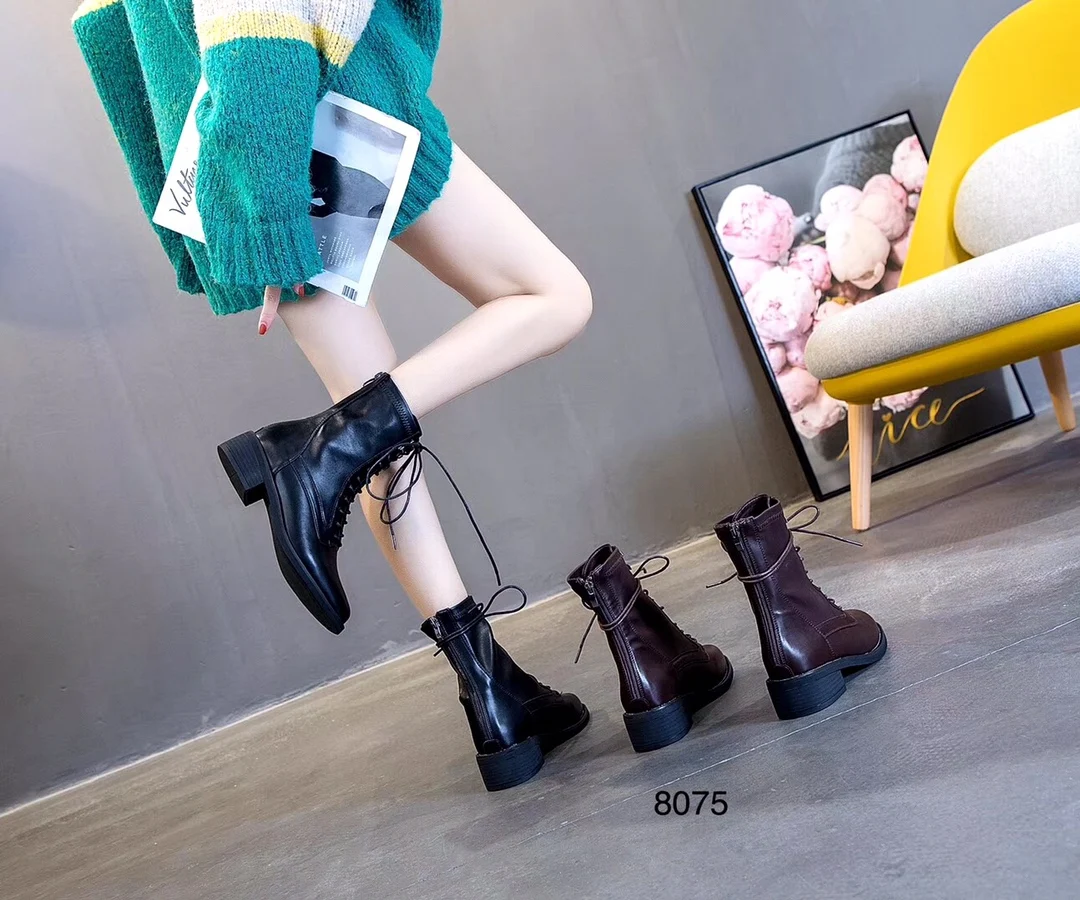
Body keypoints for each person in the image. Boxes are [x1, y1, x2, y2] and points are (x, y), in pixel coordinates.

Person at [73, 0, 594, 790]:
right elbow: (255, 14)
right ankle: (314, 452)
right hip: (316, 119)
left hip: (240, 148)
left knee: (369, 424)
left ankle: (492, 697)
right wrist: (269, 214)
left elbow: (110, 30)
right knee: (554, 299)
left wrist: (230, 210)